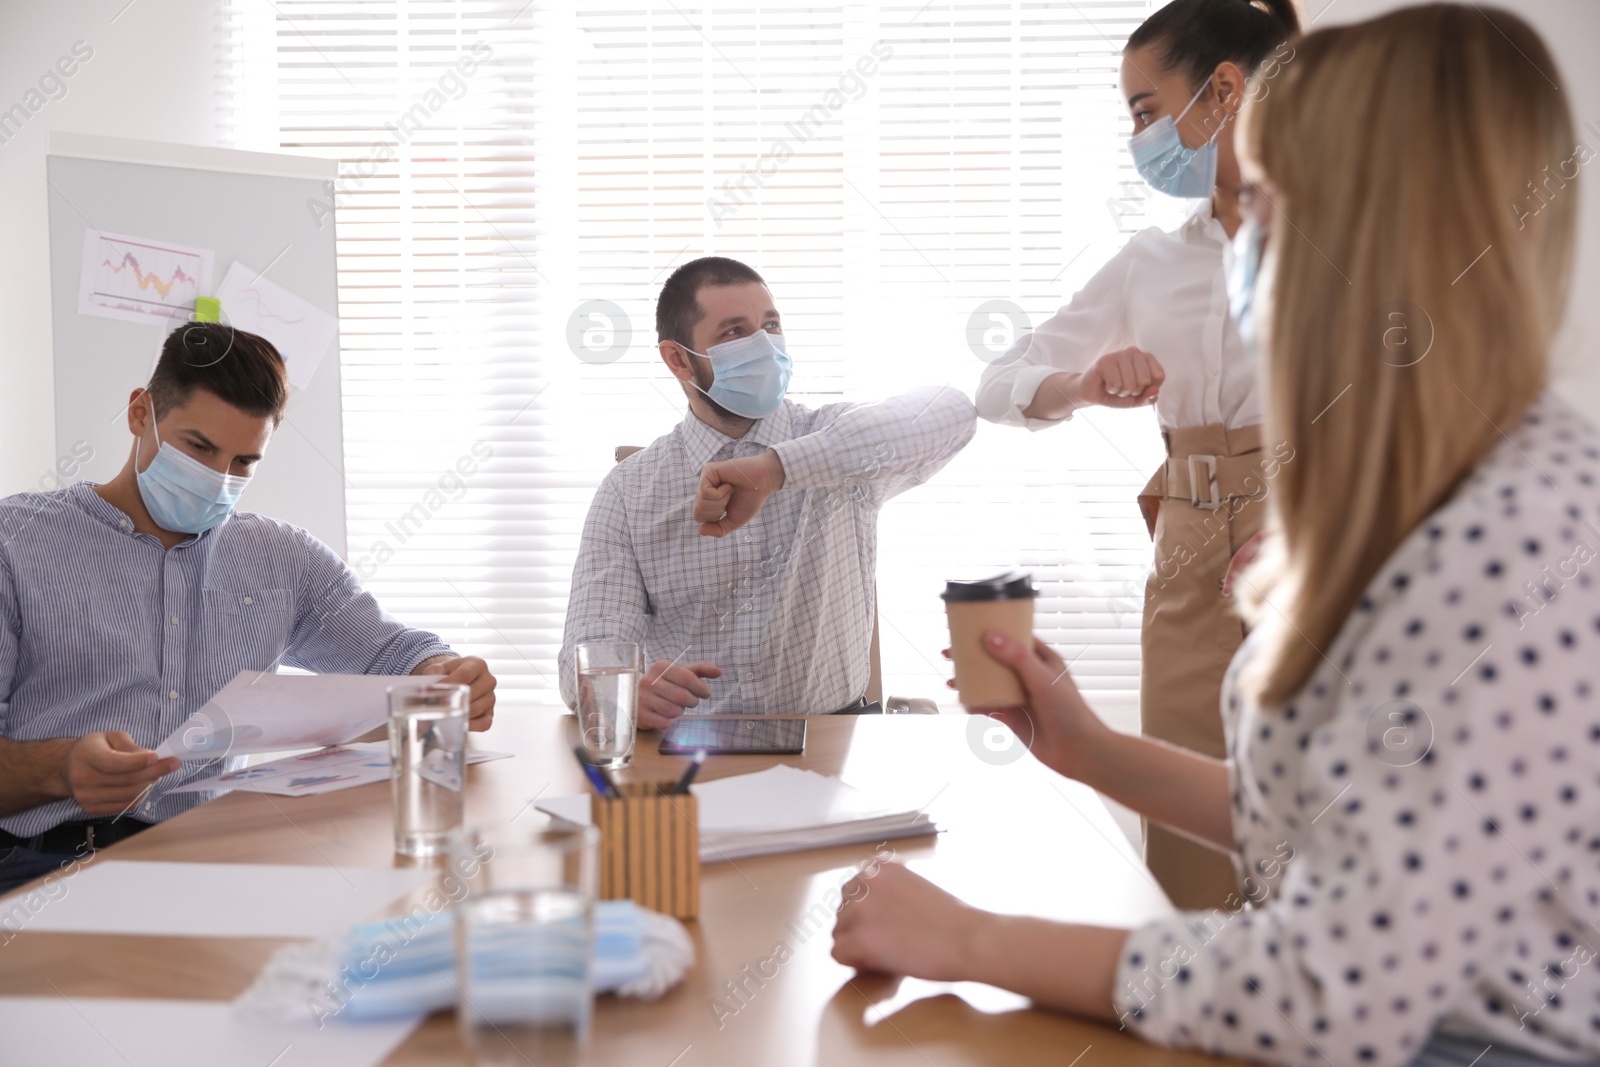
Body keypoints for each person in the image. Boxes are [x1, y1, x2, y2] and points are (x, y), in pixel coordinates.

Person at [834, 6, 1599, 1064]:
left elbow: (1336, 989)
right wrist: (1092, 749)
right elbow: (1352, 820)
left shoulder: (1503, 539)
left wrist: (970, 938)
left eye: (1262, 207)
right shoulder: (1440, 494)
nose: (1238, 247)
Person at [973, 0, 1300, 911]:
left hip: (1318, 542)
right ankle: (1188, 1045)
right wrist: (1085, 384)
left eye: (1147, 109)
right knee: (1189, 828)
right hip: (1190, 546)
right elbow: (1000, 381)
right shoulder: (1149, 261)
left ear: (1226, 90)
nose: (1140, 136)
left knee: (1322, 811)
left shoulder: (1356, 239)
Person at [0, 323, 496, 894]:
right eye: (199, 448)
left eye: (243, 462)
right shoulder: (18, 544)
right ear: (140, 413)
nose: (217, 479)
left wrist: (441, 671)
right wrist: (59, 769)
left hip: (213, 858)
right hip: (49, 865)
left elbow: (392, 651)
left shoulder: (281, 556)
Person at [559, 256, 975, 724]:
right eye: (735, 332)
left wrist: (776, 468)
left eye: (771, 326)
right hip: (689, 753)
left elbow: (951, 412)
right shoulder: (628, 490)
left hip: (830, 743)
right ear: (679, 359)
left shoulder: (836, 440)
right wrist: (620, 689)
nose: (764, 345)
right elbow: (588, 649)